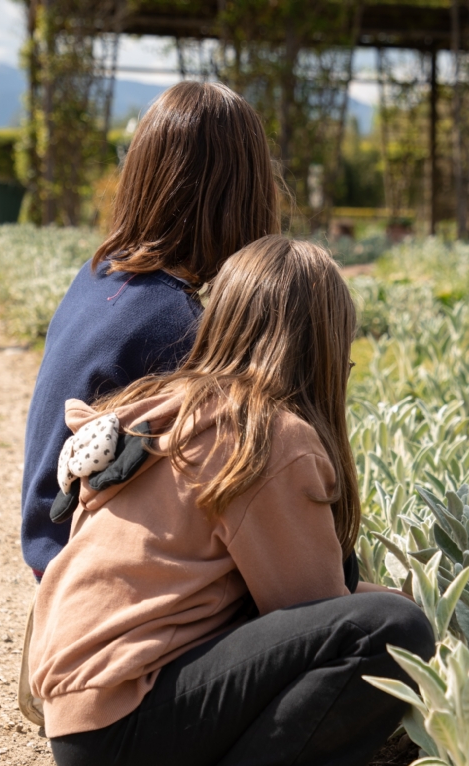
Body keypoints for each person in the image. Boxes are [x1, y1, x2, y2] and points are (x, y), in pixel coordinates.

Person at [28, 236, 435, 766]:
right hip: (122, 733)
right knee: (393, 632)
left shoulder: (164, 404)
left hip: (79, 712)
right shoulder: (269, 437)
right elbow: (314, 616)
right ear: (323, 344)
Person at [21, 81, 279, 581]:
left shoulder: (100, 274)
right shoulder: (174, 324)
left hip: (51, 553)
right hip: (95, 580)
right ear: (241, 196)